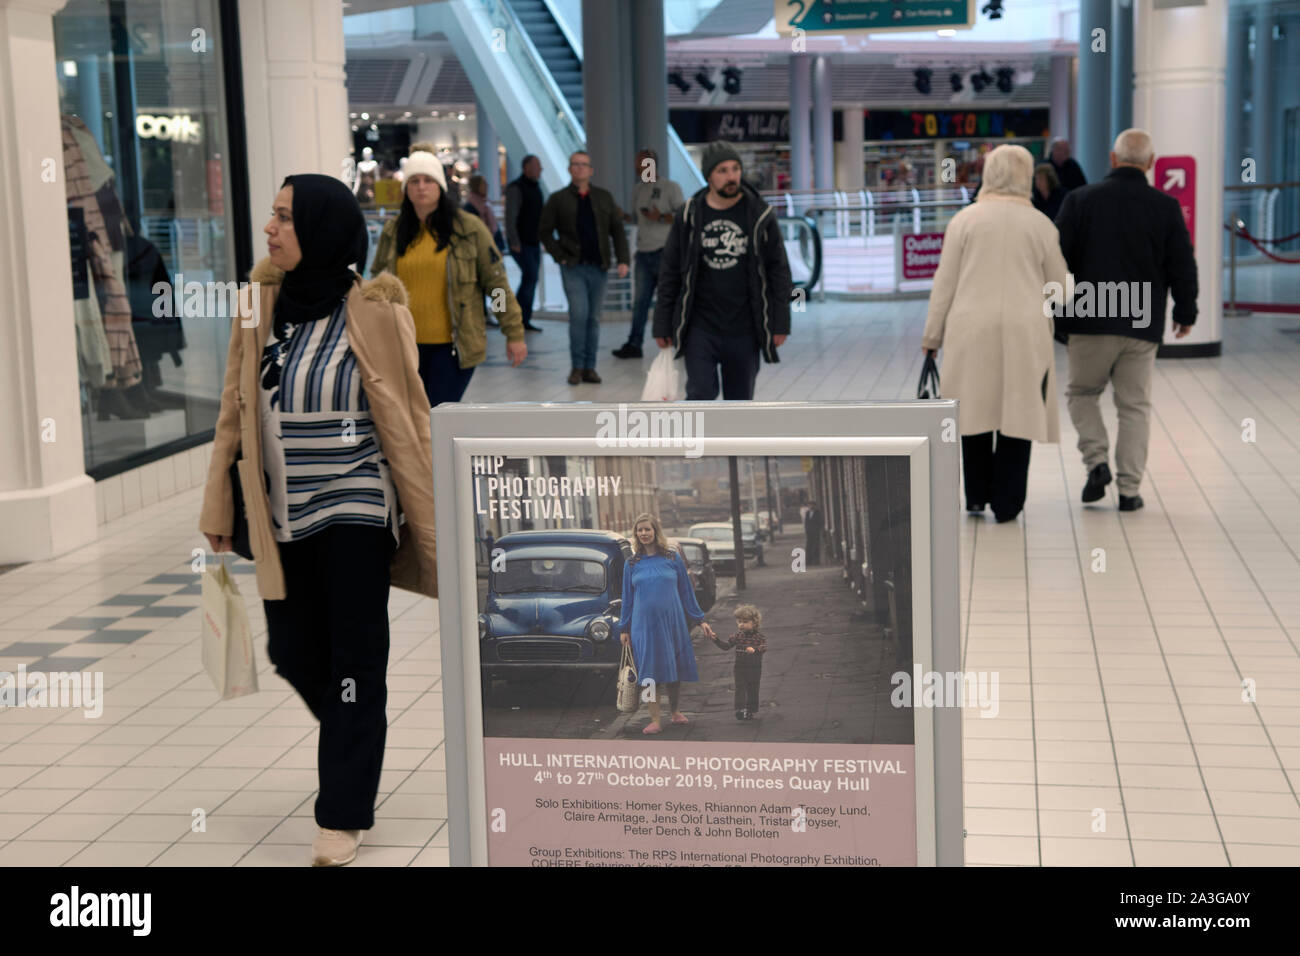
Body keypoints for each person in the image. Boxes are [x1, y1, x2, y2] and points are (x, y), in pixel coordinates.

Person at [199, 174, 437, 867]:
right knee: (293, 652)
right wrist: (218, 504)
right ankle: (353, 730)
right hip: (282, 513)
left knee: (356, 662)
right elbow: (231, 411)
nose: (269, 230)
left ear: (324, 229)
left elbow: (410, 414)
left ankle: (342, 812)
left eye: (284, 218)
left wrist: (431, 508)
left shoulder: (376, 308)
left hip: (356, 506)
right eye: (272, 216)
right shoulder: (260, 306)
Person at [920, 144, 1069, 523]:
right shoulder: (1041, 225)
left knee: (972, 409)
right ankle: (1008, 502)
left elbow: (945, 284)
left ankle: (975, 495)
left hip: (970, 329)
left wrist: (932, 337)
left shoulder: (964, 221)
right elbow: (1061, 287)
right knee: (1018, 412)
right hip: (1025, 329)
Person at [1054, 128, 1198, 512]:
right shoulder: (1165, 207)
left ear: (1113, 159)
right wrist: (1185, 312)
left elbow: (1056, 262)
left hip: (1089, 317)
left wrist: (1054, 314)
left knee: (1082, 394)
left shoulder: (1078, 200)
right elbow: (1183, 264)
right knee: (1134, 405)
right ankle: (1130, 491)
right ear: (1150, 163)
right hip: (1142, 320)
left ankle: (1097, 462)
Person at [370, 150, 526, 406]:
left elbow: (495, 285)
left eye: (428, 180)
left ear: (440, 186)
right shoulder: (393, 231)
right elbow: (379, 283)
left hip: (453, 348)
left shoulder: (469, 229)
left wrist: (513, 332)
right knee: (410, 421)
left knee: (435, 417)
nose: (421, 187)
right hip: (404, 347)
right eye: (414, 181)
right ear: (406, 188)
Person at [652, 142, 792, 400]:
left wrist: (781, 321)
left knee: (739, 401)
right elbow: (670, 272)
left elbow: (779, 271)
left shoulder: (760, 214)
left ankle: (734, 442)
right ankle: (701, 442)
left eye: (735, 169)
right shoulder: (689, 215)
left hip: (745, 327)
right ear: (708, 176)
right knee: (700, 393)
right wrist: (662, 323)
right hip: (700, 326)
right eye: (723, 170)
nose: (731, 177)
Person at [619, 512, 715, 735]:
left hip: (672, 622)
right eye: (639, 530)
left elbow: (686, 591)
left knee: (674, 668)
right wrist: (624, 627)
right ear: (636, 534)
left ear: (655, 532)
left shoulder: (672, 558)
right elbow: (627, 598)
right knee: (649, 673)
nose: (643, 533)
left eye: (647, 529)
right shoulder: (631, 564)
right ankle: (654, 719)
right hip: (643, 626)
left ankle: (675, 711)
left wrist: (700, 620)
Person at [538, 150, 630, 384]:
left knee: (594, 318)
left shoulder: (603, 197)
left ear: (591, 170)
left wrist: (623, 259)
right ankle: (577, 366)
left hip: (598, 266)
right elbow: (544, 231)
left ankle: (590, 367)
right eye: (575, 164)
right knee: (579, 316)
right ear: (570, 169)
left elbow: (617, 230)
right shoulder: (558, 199)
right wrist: (560, 255)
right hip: (573, 267)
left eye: (584, 164)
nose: (579, 168)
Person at [613, 148, 684, 359]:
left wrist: (660, 217)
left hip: (666, 252)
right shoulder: (638, 190)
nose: (639, 169)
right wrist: (623, 216)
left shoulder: (670, 187)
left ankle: (678, 341)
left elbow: (683, 216)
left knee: (670, 299)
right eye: (637, 166)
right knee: (640, 302)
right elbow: (637, 220)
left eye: (643, 165)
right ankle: (634, 344)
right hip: (643, 253)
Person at [504, 154, 545, 332]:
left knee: (531, 279)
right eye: (536, 166)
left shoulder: (536, 188)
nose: (540, 169)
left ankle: (522, 319)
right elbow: (510, 216)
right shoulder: (516, 188)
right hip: (522, 243)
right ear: (526, 168)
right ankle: (518, 318)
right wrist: (514, 241)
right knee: (530, 278)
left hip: (533, 242)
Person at [711, 604, 767, 720]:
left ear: (754, 623)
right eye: (739, 621)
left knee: (753, 688)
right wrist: (715, 640)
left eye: (745, 621)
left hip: (754, 667)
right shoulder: (737, 636)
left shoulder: (759, 637)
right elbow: (726, 646)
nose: (741, 624)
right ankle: (740, 709)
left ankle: (750, 710)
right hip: (740, 667)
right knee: (740, 688)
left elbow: (763, 648)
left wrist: (755, 650)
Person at [461, 173, 505, 252]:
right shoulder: (470, 207)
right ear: (476, 186)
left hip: (492, 246)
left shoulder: (485, 203)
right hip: (481, 249)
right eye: (483, 183)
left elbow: (494, 226)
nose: (487, 185)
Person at [803, 501, 822, 565]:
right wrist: (806, 530)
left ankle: (816, 561)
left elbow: (820, 522)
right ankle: (808, 561)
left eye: (812, 505)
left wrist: (818, 530)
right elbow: (806, 522)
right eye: (809, 505)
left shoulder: (818, 513)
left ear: (815, 506)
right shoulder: (807, 513)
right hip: (809, 532)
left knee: (816, 547)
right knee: (809, 547)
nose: (811, 506)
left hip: (816, 532)